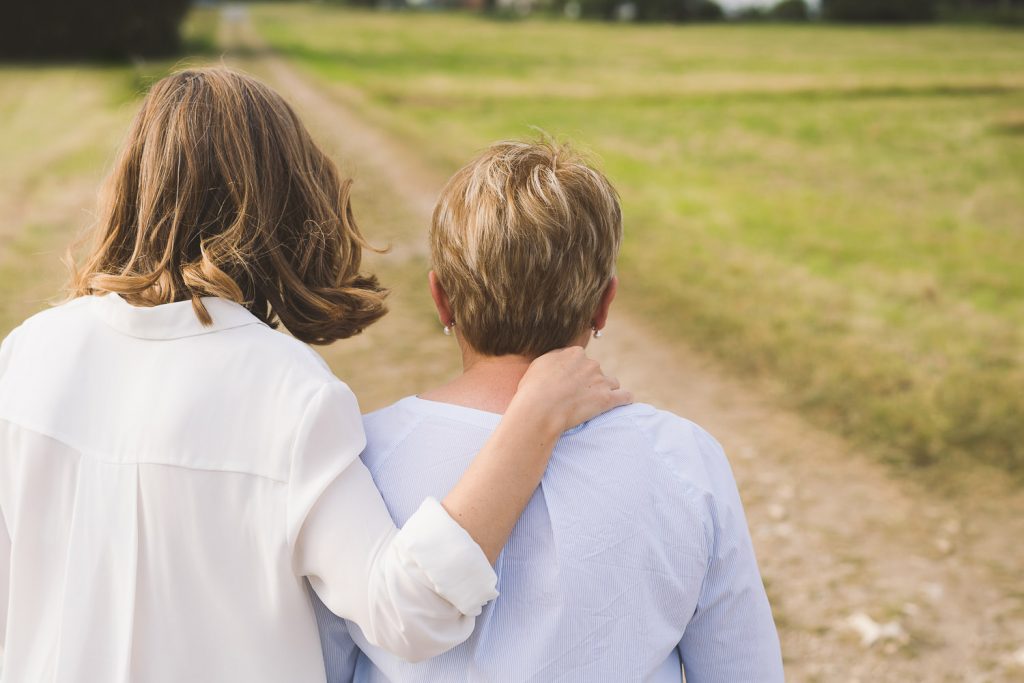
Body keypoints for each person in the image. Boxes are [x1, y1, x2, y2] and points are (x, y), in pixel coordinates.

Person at [0, 70, 630, 683]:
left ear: (131, 187)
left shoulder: (27, 355)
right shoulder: (287, 393)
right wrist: (533, 418)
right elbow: (409, 612)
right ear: (285, 201)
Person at [313, 140, 785, 682]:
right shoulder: (684, 461)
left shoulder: (363, 457)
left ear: (441, 299)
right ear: (604, 304)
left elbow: (320, 665)